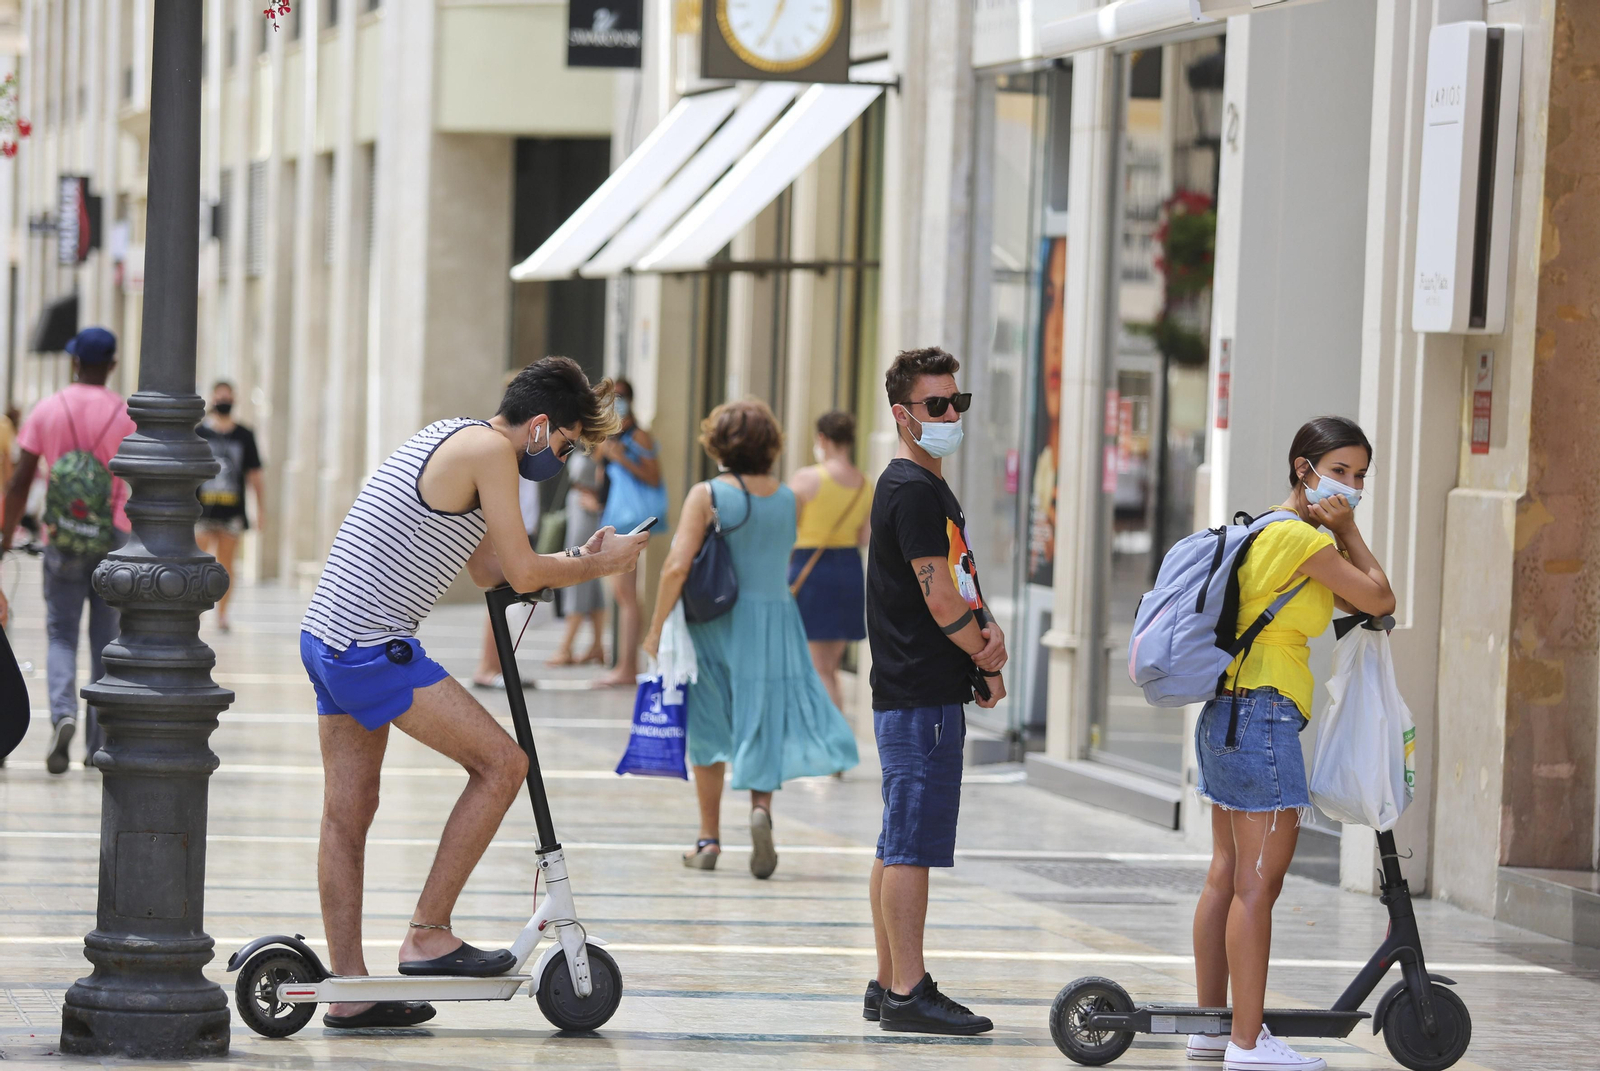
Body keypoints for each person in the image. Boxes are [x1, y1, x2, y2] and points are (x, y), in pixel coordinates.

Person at [300, 357, 648, 1031]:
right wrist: (600, 564)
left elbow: (490, 565)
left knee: (349, 811)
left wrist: (577, 558)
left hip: (329, 632)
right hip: (370, 643)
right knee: (503, 764)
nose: (566, 457)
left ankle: (347, 987)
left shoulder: (461, 435)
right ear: (541, 427)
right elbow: (518, 569)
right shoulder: (492, 451)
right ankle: (429, 933)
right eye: (569, 444)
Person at [1187, 416, 1394, 1071]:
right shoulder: (1302, 538)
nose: (1351, 485)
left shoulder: (1263, 532)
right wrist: (1349, 529)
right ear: (1303, 468)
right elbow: (1382, 596)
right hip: (1263, 719)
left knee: (1228, 875)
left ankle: (1211, 1028)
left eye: (1360, 476)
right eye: (1340, 471)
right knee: (1256, 884)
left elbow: (1359, 607)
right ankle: (1248, 1043)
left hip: (1228, 711)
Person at [642, 399, 859, 880]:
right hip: (776, 620)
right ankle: (761, 812)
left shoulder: (708, 493)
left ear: (719, 443)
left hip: (714, 623)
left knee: (708, 725)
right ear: (771, 445)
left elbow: (677, 566)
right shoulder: (788, 499)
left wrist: (656, 627)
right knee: (763, 719)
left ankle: (708, 839)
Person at [864, 346, 1006, 1036]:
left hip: (921, 688)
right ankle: (908, 990)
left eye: (958, 402)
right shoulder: (912, 489)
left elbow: (960, 577)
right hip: (918, 693)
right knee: (911, 844)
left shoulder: (925, 485)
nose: (951, 414)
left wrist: (986, 645)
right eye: (937, 405)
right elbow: (938, 591)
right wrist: (981, 646)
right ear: (903, 414)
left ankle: (887, 979)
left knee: (896, 840)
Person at [0, 327, 136, 775]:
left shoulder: (49, 408)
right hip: (113, 536)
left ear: (74, 360)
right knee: (105, 640)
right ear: (112, 365)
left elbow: (20, 480)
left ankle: (63, 715)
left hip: (62, 537)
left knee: (60, 634)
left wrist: (5, 534)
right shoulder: (127, 413)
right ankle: (97, 744)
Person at [787, 410, 872, 713]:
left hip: (811, 569)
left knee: (816, 667)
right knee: (829, 668)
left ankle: (830, 742)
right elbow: (864, 537)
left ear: (822, 439)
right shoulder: (865, 484)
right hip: (848, 570)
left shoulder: (807, 478)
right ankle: (832, 739)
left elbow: (786, 527)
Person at [594, 378, 664, 687]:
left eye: (620, 397)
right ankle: (623, 663)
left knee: (626, 594)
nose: (615, 402)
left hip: (629, 519)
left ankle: (627, 666)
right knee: (620, 593)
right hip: (613, 516)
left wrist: (622, 457)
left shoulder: (640, 436)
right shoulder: (612, 433)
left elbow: (653, 477)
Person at [195, 380, 265, 632]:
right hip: (201, 510)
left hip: (232, 511)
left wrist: (260, 509)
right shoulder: (200, 433)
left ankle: (222, 614)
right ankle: (197, 610)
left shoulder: (244, 435)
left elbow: (255, 474)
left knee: (226, 565)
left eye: (228, 396)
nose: (224, 401)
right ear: (212, 399)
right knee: (199, 562)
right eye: (220, 396)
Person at [471, 474, 540, 689]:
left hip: (519, 521)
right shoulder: (507, 444)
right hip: (509, 522)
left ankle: (494, 666)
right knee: (500, 589)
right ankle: (489, 667)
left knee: (504, 591)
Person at [548, 449, 607, 666]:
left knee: (578, 570)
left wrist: (600, 503)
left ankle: (566, 647)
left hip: (586, 513)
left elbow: (610, 474)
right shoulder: (586, 442)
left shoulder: (604, 445)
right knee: (592, 580)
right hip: (577, 508)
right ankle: (597, 646)